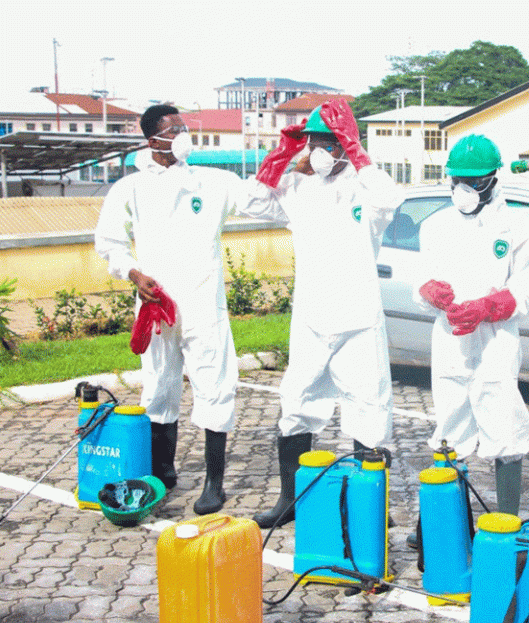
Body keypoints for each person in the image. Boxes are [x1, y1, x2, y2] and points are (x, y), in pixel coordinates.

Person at [241, 98, 404, 529]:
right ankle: (288, 500)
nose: (319, 148)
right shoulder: (298, 189)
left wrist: (354, 149)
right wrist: (280, 153)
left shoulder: (365, 190)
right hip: (312, 318)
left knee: (369, 412)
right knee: (295, 404)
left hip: (359, 318)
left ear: (346, 144)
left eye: (328, 141)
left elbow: (391, 198)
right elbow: (252, 203)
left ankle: (371, 507)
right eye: (313, 140)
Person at [95, 104, 244, 516]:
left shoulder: (213, 181)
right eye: (174, 129)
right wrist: (132, 273)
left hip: (203, 303)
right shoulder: (130, 189)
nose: (183, 134)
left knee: (214, 384)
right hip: (158, 303)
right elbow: (110, 241)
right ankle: (164, 471)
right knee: (159, 387)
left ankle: (214, 484)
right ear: (152, 139)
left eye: (184, 127)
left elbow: (262, 199)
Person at [413, 134, 529, 516]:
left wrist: (489, 306)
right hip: (449, 341)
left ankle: (506, 521)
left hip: (494, 343)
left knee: (503, 427)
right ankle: (448, 525)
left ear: (493, 179)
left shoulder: (517, 228)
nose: (465, 190)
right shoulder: (435, 226)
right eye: (458, 181)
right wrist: (429, 292)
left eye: (474, 182)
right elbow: (419, 281)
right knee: (450, 430)